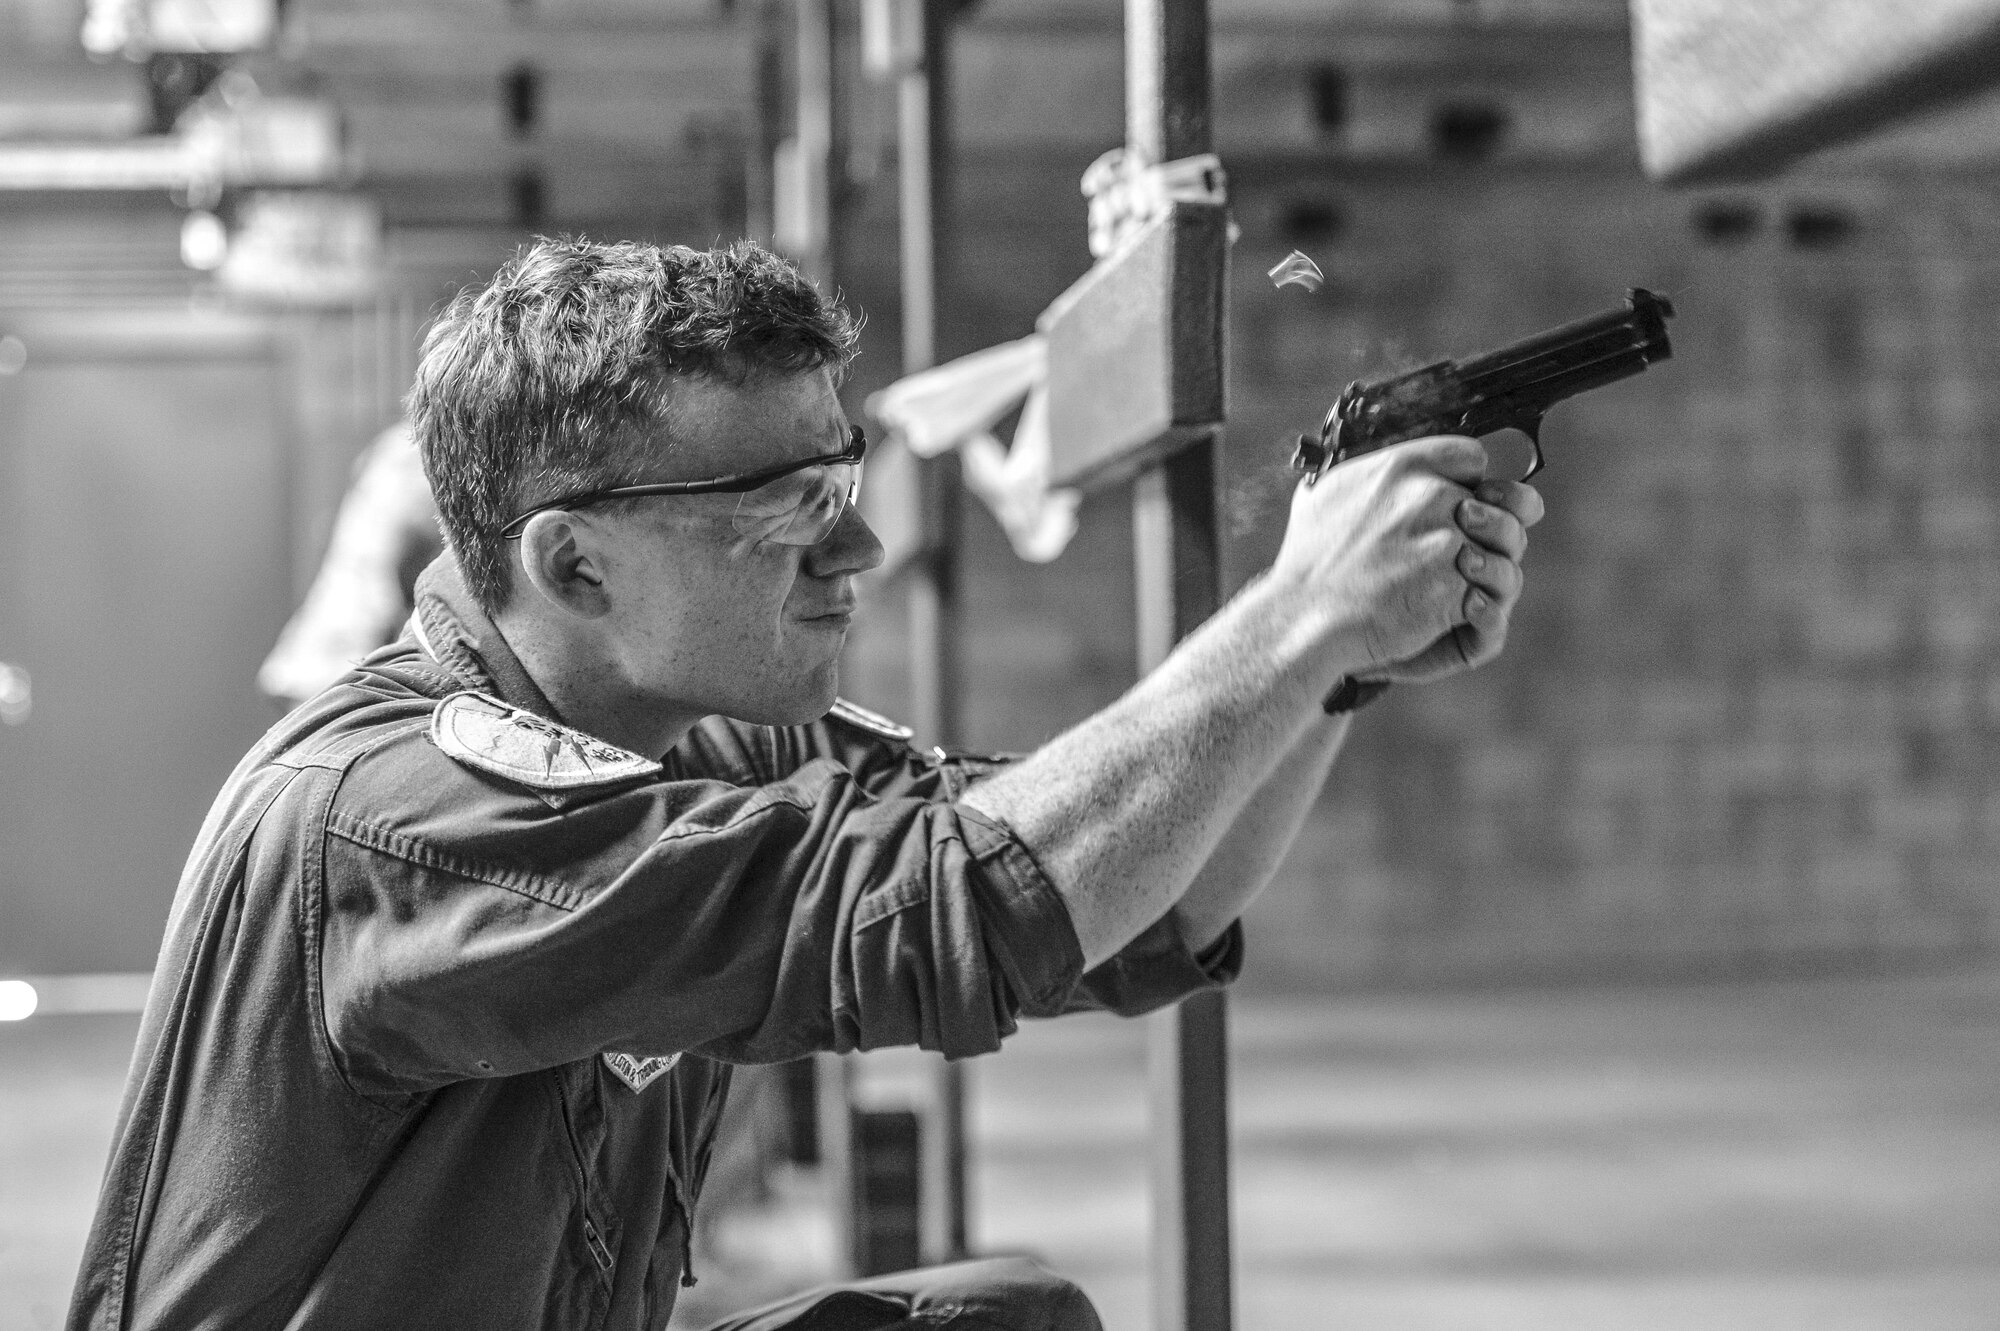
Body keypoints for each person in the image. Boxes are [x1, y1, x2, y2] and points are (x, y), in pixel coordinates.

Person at [66, 238, 1542, 1331]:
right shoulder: (412, 814)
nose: (856, 555)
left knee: (1004, 1324)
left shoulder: (703, 728)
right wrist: (1295, 617)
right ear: (573, 563)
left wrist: (1341, 670)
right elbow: (980, 902)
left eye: (842, 490)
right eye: (788, 515)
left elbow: (1122, 903)